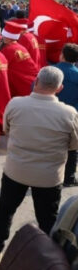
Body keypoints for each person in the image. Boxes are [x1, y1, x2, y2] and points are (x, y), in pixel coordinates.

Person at [0, 66, 78, 267]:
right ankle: (47, 261)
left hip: (16, 170)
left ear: (36, 81)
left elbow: (6, 128)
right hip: (49, 177)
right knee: (47, 219)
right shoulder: (69, 113)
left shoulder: (16, 104)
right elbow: (73, 145)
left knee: (5, 210)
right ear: (60, 88)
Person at [55, 43, 78, 186]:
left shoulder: (51, 71)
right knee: (72, 148)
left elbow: (35, 87)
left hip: (52, 114)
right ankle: (69, 178)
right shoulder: (76, 74)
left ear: (62, 56)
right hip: (72, 117)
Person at [0, 20, 39, 97]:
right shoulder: (21, 47)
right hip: (31, 83)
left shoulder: (8, 50)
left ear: (7, 37)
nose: (2, 37)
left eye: (3, 35)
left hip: (21, 86)